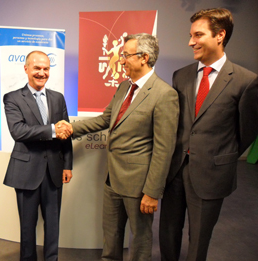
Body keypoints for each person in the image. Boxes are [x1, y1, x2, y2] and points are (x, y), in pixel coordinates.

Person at [57, 33, 179, 260]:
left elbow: (164, 149)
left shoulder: (165, 95)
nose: (120, 61)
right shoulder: (124, 87)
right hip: (112, 179)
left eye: (125, 55)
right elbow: (105, 119)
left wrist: (152, 192)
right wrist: (73, 128)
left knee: (140, 240)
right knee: (110, 236)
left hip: (139, 184)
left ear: (144, 57)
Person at [159, 8, 258, 261]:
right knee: (167, 231)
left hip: (212, 173)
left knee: (199, 237)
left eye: (198, 35)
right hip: (175, 170)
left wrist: (218, 154)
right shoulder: (180, 76)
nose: (190, 42)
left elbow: (246, 132)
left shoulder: (246, 81)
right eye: (191, 35)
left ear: (220, 35)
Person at [3, 51, 73, 261]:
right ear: (26, 69)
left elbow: (66, 133)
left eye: (46, 69)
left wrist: (68, 164)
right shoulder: (13, 98)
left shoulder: (58, 98)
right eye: (37, 68)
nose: (42, 73)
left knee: (53, 224)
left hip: (53, 171)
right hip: (26, 171)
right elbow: (19, 131)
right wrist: (52, 129)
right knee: (27, 226)